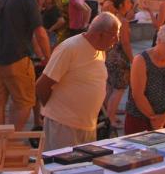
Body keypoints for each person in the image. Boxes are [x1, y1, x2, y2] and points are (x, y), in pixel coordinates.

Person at [36, 13, 121, 151]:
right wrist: (56, 111)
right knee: (60, 168)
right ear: (100, 34)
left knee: (83, 168)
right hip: (63, 126)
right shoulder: (70, 48)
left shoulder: (100, 50)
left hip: (88, 126)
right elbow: (42, 85)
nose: (117, 40)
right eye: (114, 35)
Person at [0, 0, 51, 130]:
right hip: (16, 56)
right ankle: (9, 142)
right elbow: (40, 32)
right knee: (24, 102)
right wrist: (48, 57)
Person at [125, 22, 165, 134]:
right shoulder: (141, 60)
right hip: (140, 120)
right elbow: (138, 95)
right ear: (158, 41)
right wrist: (154, 119)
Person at [105, 0, 134, 128]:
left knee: (110, 87)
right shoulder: (123, 21)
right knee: (119, 89)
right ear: (121, 4)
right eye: (128, 2)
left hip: (110, 56)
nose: (131, 4)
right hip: (120, 58)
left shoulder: (112, 18)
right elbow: (126, 43)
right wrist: (133, 60)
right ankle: (110, 118)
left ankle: (108, 115)